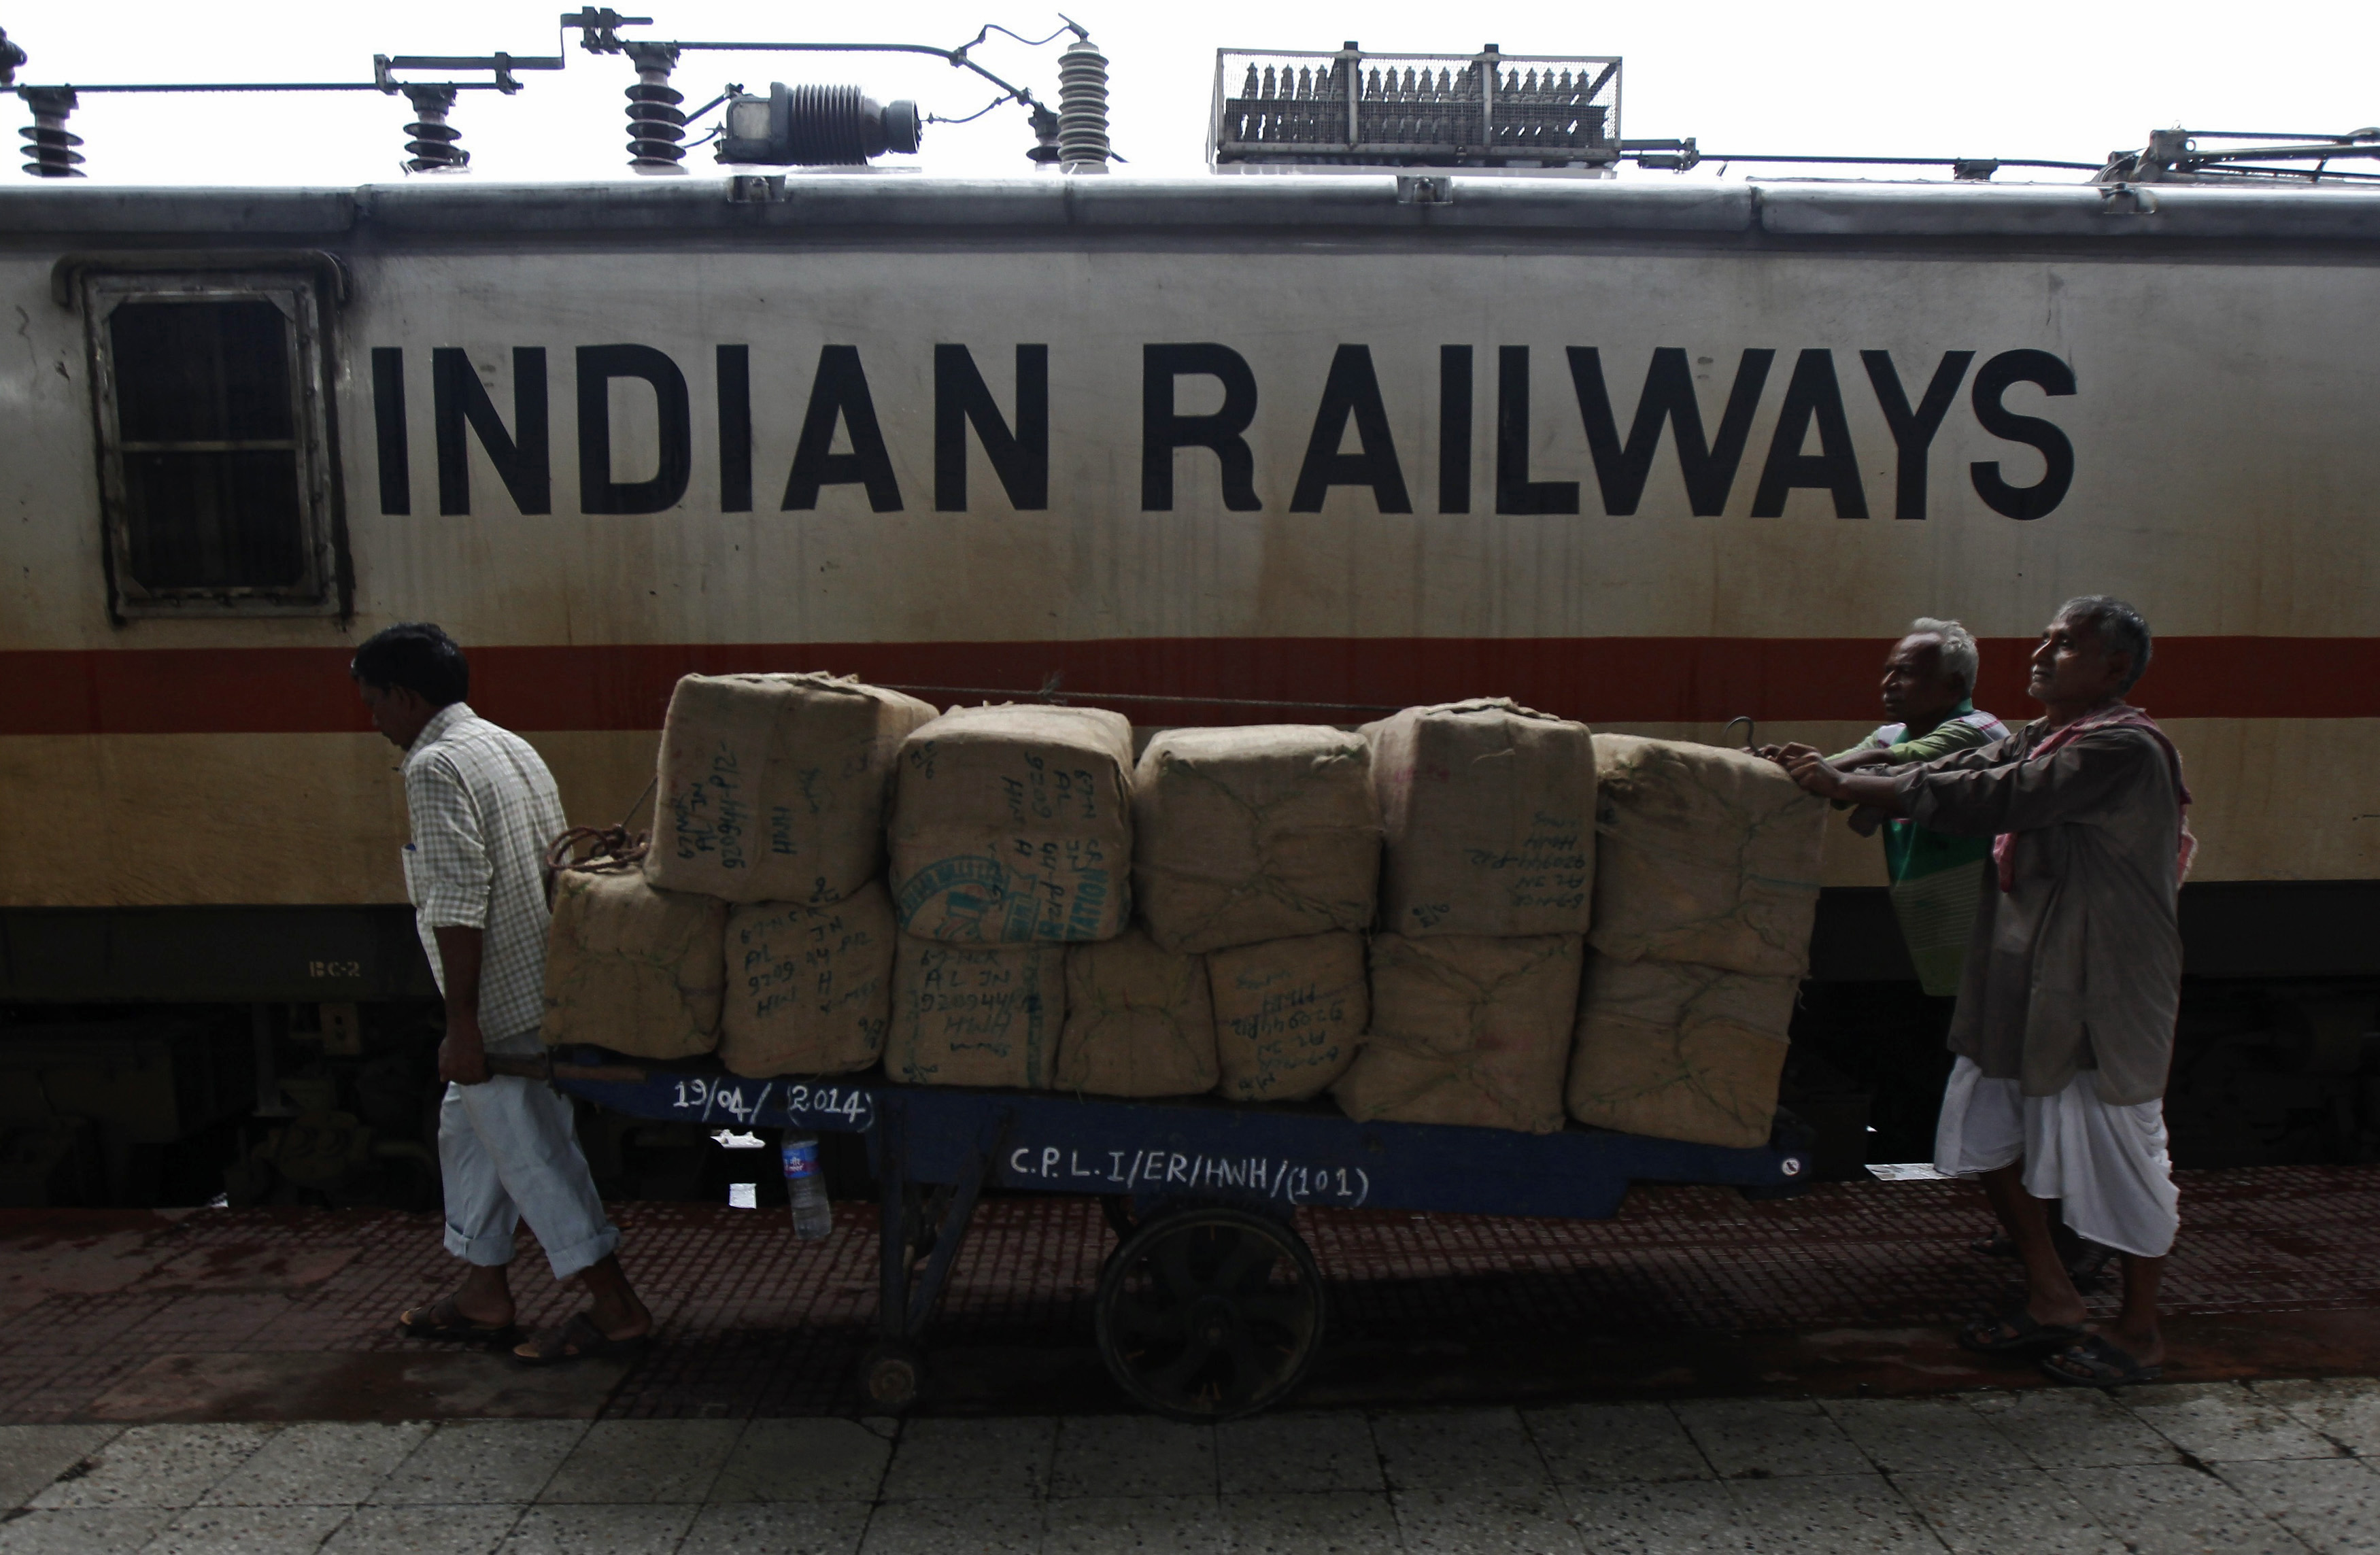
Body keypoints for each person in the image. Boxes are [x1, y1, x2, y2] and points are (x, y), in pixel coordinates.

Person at [1773, 597, 2190, 1387]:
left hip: (2096, 989)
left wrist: (1847, 783)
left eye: (2064, 645)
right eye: (2044, 637)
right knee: (1985, 1125)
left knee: (2121, 1153)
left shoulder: (2122, 749)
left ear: (2112, 670)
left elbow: (1997, 796)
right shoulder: (2047, 736)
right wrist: (1843, 776)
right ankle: (2052, 1298)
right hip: (2023, 979)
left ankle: (2137, 1332)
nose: (2040, 651)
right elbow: (1960, 771)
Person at [354, 622, 653, 1365]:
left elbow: (458, 901)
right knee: (467, 1131)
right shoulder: (504, 743)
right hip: (542, 978)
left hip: (499, 1003)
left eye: (373, 703)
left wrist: (463, 1025)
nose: (372, 721)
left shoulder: (434, 766)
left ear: (404, 694)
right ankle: (483, 1291)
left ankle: (615, 1307)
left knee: (528, 1151)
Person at [1781, 618, 2010, 996]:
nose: (1888, 684)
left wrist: (1831, 768)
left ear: (1954, 685)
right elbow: (1833, 779)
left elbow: (1895, 763)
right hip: (1931, 912)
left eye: (1906, 674)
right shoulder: (1891, 734)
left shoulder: (1977, 731)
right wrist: (1783, 767)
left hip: (1982, 915)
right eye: (1888, 671)